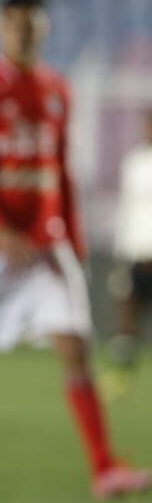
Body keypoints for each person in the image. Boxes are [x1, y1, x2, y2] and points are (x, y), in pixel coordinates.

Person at [0, 0, 151, 501]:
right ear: (1, 28)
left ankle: (105, 468)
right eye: (14, 24)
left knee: (74, 347)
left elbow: (59, 172)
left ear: (45, 27)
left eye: (31, 24)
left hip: (43, 248)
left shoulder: (58, 90)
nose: (22, 32)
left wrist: (74, 244)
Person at [104, 111, 152, 395]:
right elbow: (128, 209)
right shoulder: (134, 163)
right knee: (128, 312)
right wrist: (122, 250)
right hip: (137, 251)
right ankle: (123, 375)